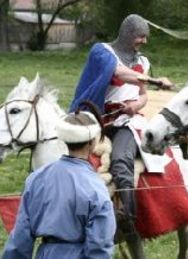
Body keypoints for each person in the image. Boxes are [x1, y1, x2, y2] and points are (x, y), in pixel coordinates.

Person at [69, 14, 173, 254]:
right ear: (127, 33)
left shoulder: (143, 61)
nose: (143, 41)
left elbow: (143, 94)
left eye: (146, 37)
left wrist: (136, 105)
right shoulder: (102, 51)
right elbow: (120, 73)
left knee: (121, 162)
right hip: (95, 119)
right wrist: (156, 80)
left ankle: (128, 216)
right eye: (140, 36)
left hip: (127, 122)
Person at [3, 110, 116, 258]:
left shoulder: (36, 178)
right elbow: (100, 243)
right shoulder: (95, 186)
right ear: (92, 141)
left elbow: (20, 237)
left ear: (64, 139)